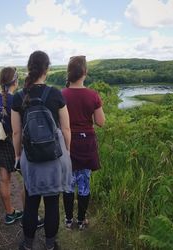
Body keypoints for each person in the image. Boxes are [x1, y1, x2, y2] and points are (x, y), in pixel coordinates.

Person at [11, 50, 72, 250]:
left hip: (31, 157)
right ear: (47, 69)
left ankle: (27, 245)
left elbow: (16, 133)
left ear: (30, 68)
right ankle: (50, 245)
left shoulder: (19, 97)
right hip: (55, 157)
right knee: (53, 204)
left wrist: (18, 155)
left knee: (31, 202)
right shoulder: (55, 94)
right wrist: (67, 153)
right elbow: (65, 128)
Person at [62, 55, 105, 230]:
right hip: (86, 143)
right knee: (84, 182)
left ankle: (67, 220)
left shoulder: (61, 94)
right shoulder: (93, 95)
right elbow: (101, 122)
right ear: (85, 72)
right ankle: (80, 221)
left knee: (68, 183)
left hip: (67, 141)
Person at [0, 67, 23, 225]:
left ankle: (9, 213)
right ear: (15, 81)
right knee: (27, 180)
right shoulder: (16, 98)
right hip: (13, 141)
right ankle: (29, 213)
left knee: (4, 180)